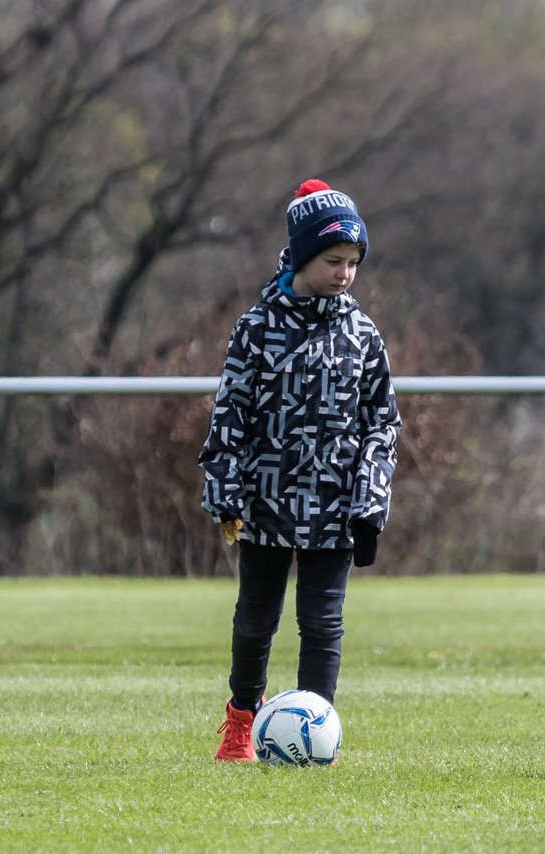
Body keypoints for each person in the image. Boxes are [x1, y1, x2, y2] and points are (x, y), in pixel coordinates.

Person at [199, 178, 401, 762]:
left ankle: (314, 730)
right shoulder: (257, 328)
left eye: (353, 263)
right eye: (333, 260)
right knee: (255, 619)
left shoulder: (362, 335)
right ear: (301, 256)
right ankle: (241, 723)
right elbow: (229, 416)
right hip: (264, 503)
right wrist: (226, 495)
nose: (344, 273)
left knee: (323, 623)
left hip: (334, 509)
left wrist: (369, 503)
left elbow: (381, 426)